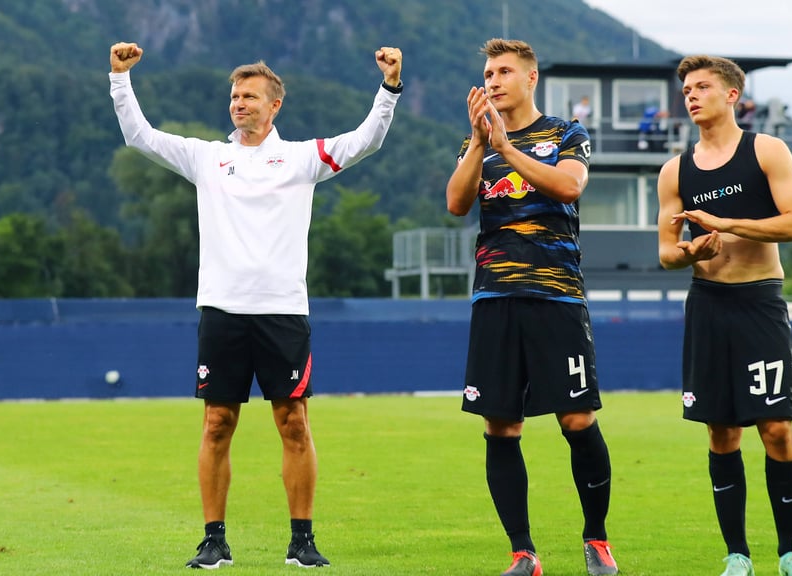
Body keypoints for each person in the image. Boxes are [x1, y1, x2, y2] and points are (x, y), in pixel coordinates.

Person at [108, 41, 403, 570]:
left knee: (294, 423)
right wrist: (120, 78)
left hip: (283, 313)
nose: (238, 103)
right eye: (235, 96)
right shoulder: (207, 158)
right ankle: (213, 540)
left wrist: (389, 87)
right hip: (221, 311)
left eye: (249, 96)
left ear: (275, 106)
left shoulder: (301, 158)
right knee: (217, 423)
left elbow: (367, 141)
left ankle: (302, 541)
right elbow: (140, 136)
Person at [446, 38, 618, 576]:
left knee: (576, 417)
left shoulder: (566, 133)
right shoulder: (479, 143)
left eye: (503, 72)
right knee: (501, 427)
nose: (492, 81)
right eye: (487, 73)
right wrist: (480, 143)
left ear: (530, 77)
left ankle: (596, 540)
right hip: (495, 296)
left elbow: (568, 186)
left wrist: (508, 147)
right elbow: (456, 203)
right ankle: (523, 553)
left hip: (556, 295)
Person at [656, 55, 792, 576]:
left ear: (732, 96)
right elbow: (665, 252)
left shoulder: (767, 150)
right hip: (708, 305)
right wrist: (693, 253)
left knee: (775, 429)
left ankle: (790, 552)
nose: (691, 95)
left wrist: (725, 223)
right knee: (721, 432)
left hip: (759, 301)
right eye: (686, 89)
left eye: (702, 86)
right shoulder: (674, 170)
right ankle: (737, 556)